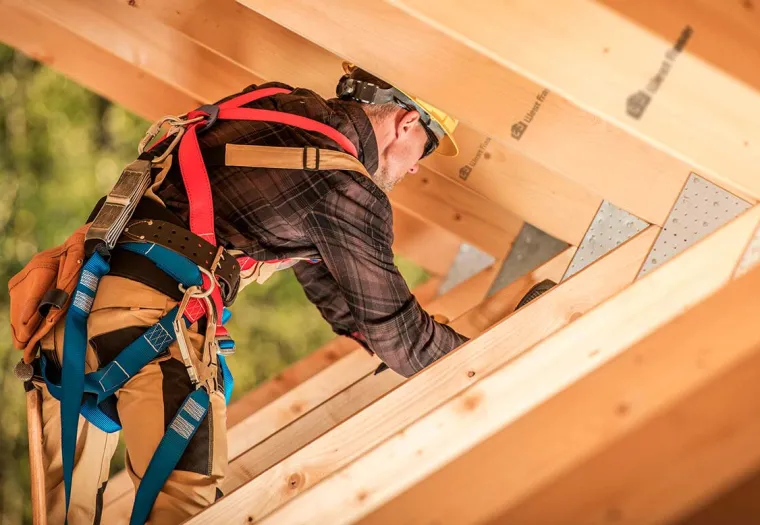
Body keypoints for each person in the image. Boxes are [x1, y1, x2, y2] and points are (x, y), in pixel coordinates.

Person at [10, 63, 468, 524]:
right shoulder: (346, 189)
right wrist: (472, 356)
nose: (413, 166)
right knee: (184, 511)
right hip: (149, 323)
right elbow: (403, 339)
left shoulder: (268, 104)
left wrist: (368, 338)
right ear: (407, 122)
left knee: (68, 516)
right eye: (422, 152)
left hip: (69, 310)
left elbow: (328, 283)